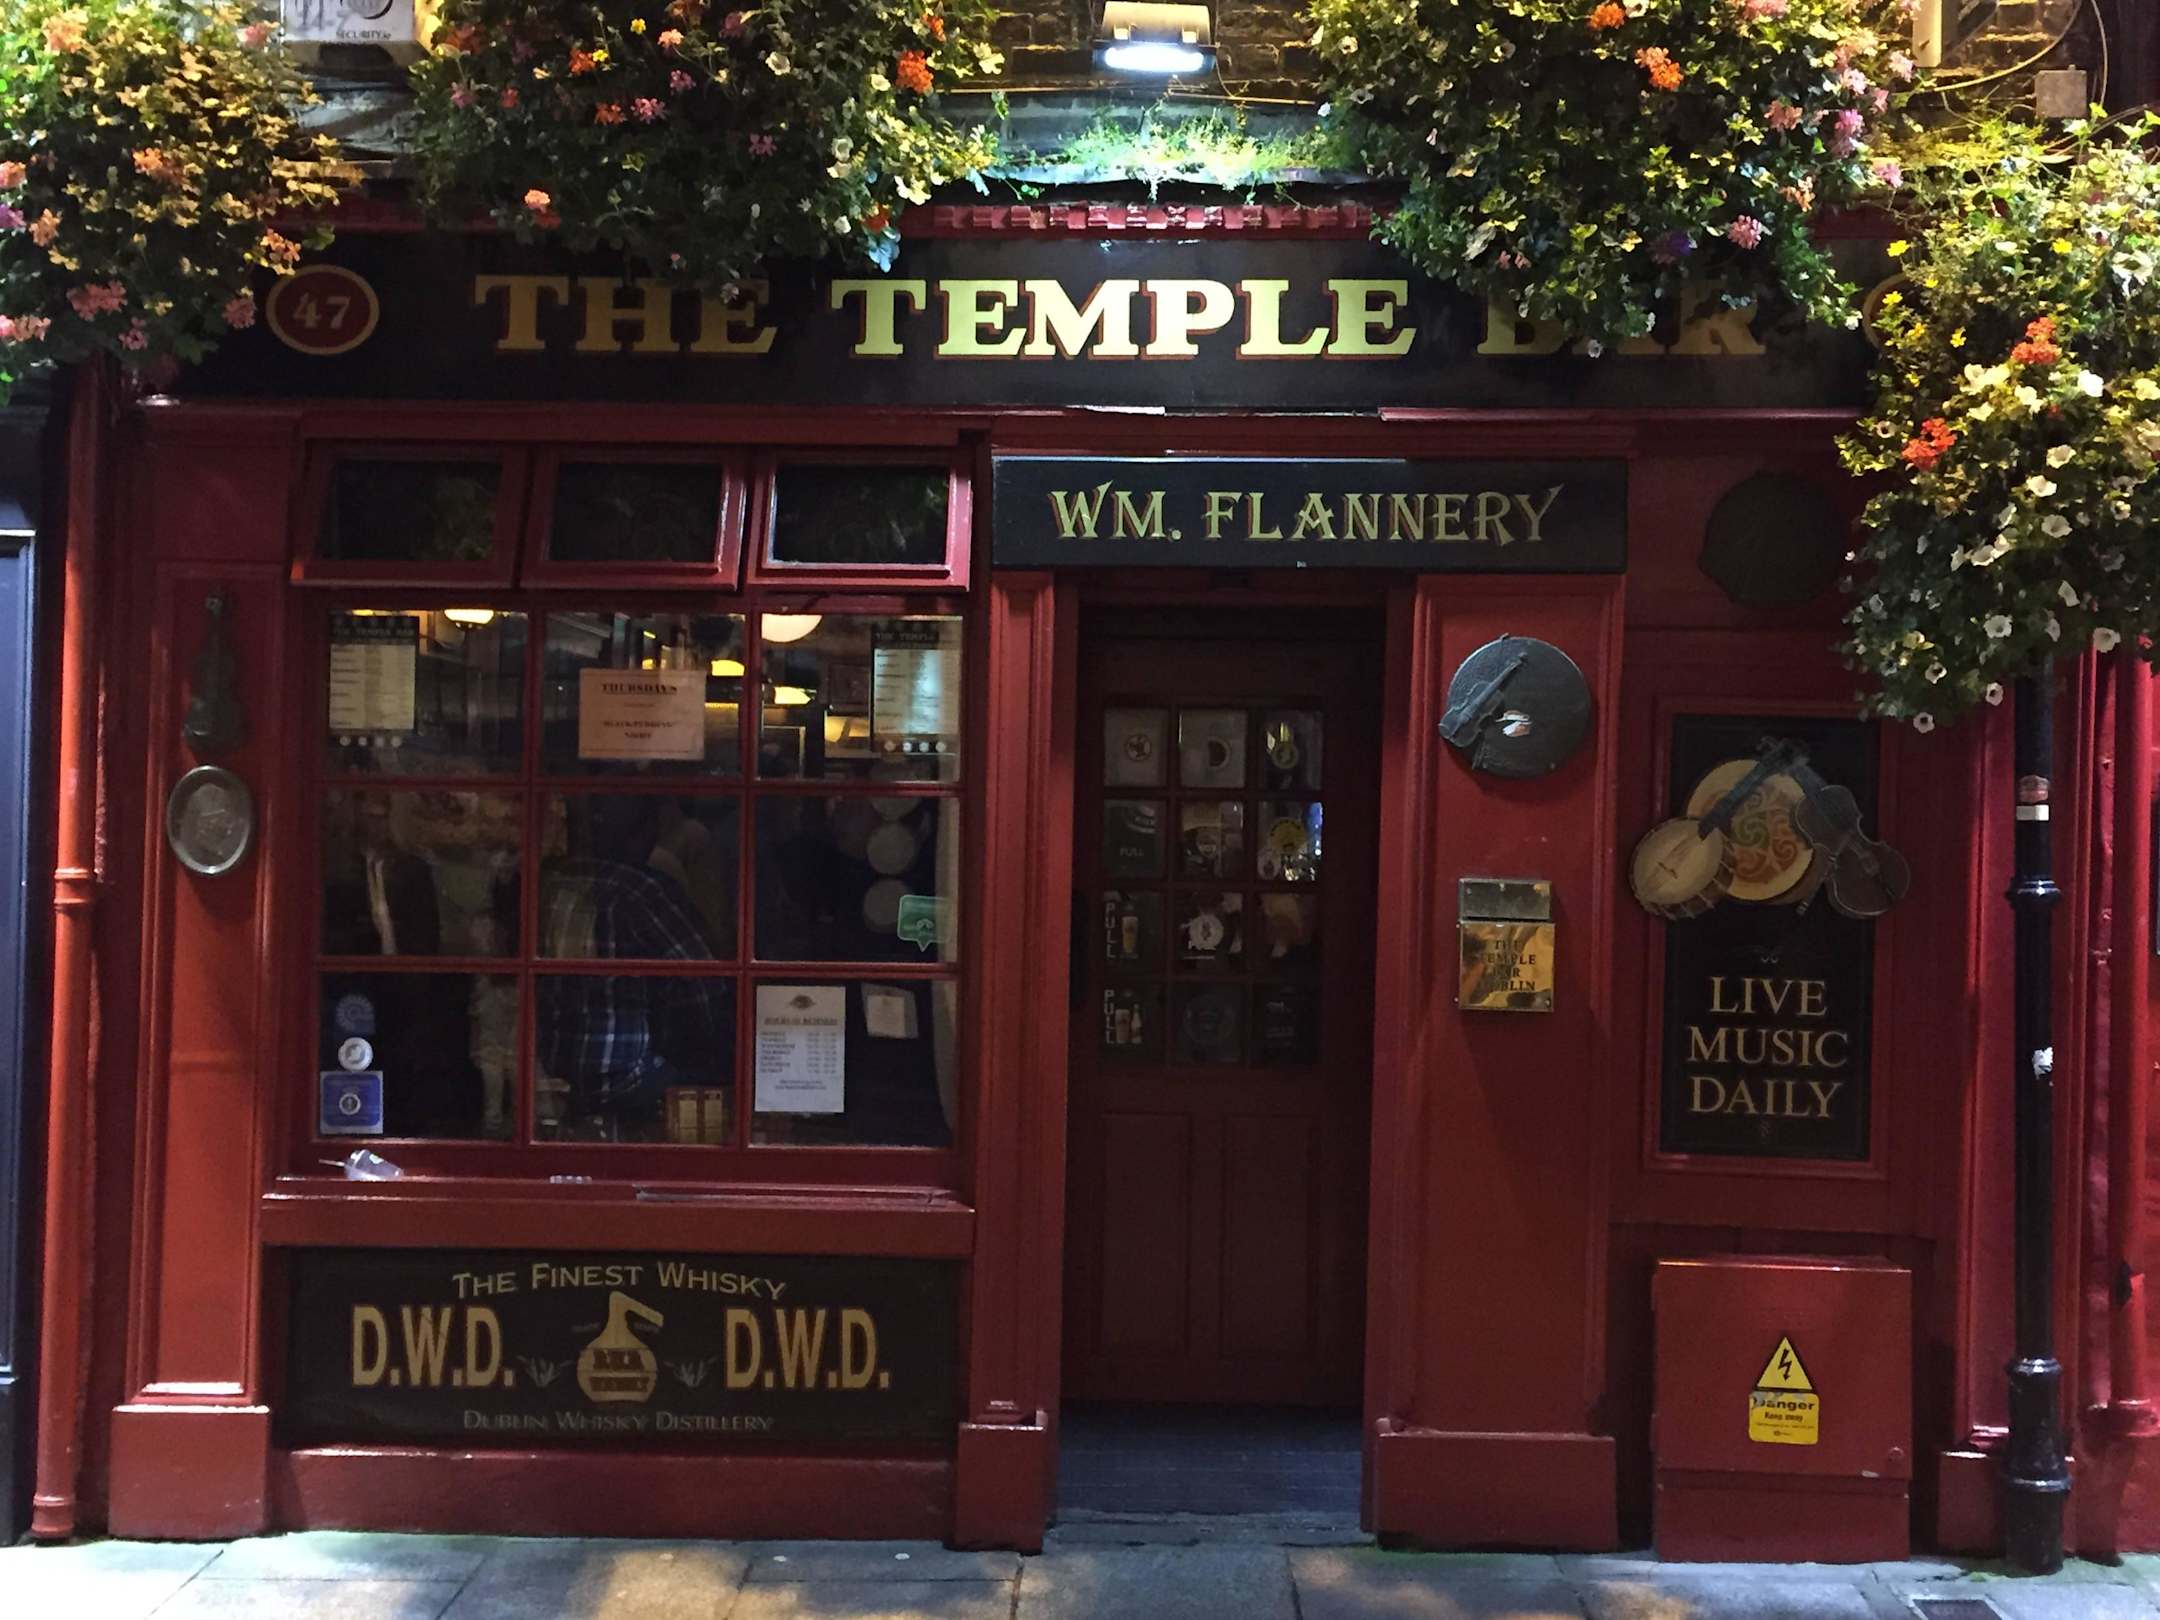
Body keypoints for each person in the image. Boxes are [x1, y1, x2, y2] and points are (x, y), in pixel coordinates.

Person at [537, 798, 730, 1138]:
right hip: (622, 1076)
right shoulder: (641, 889)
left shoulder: (546, 882)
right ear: (644, 834)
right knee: (720, 1072)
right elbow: (704, 989)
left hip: (541, 1069)